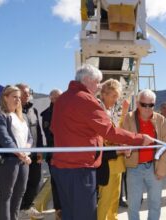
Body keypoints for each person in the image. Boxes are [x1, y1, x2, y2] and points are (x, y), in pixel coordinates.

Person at [50, 64, 154, 220]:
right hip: (80, 170)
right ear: (87, 80)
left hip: (61, 168)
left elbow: (53, 128)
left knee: (69, 214)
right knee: (85, 215)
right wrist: (140, 138)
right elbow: (110, 132)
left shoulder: (62, 99)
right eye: (97, 82)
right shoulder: (85, 99)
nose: (98, 87)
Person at [122, 89, 166, 220]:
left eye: (151, 105)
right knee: (133, 205)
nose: (147, 108)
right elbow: (123, 139)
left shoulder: (161, 121)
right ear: (138, 103)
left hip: (154, 168)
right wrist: (125, 149)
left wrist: (162, 170)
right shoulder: (129, 118)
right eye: (144, 104)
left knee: (155, 203)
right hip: (134, 168)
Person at [0, 85, 33, 220]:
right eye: (14, 97)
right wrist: (22, 155)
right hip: (8, 161)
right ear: (5, 97)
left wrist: (26, 154)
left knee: (19, 193)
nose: (18, 100)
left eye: (19, 97)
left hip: (23, 161)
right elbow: (5, 140)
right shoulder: (0, 116)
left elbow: (30, 138)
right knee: (6, 195)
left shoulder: (23, 117)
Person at [96, 79, 129, 220]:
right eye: (113, 96)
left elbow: (118, 130)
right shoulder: (97, 110)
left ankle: (112, 218)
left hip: (118, 161)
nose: (116, 100)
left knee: (115, 197)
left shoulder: (113, 111)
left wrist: (125, 112)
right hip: (106, 162)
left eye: (117, 97)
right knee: (106, 198)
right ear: (103, 94)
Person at [16, 83, 44, 219]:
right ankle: (19, 208)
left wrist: (40, 150)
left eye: (28, 92)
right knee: (21, 183)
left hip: (33, 153)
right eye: (24, 93)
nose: (27, 95)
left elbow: (38, 131)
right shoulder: (13, 111)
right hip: (19, 155)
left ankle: (27, 206)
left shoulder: (34, 110)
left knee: (36, 180)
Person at [40, 88, 62, 219]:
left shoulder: (67, 110)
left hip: (67, 154)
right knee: (55, 182)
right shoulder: (46, 115)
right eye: (55, 98)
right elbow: (49, 135)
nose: (57, 100)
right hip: (54, 154)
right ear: (51, 98)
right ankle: (58, 209)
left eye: (60, 97)